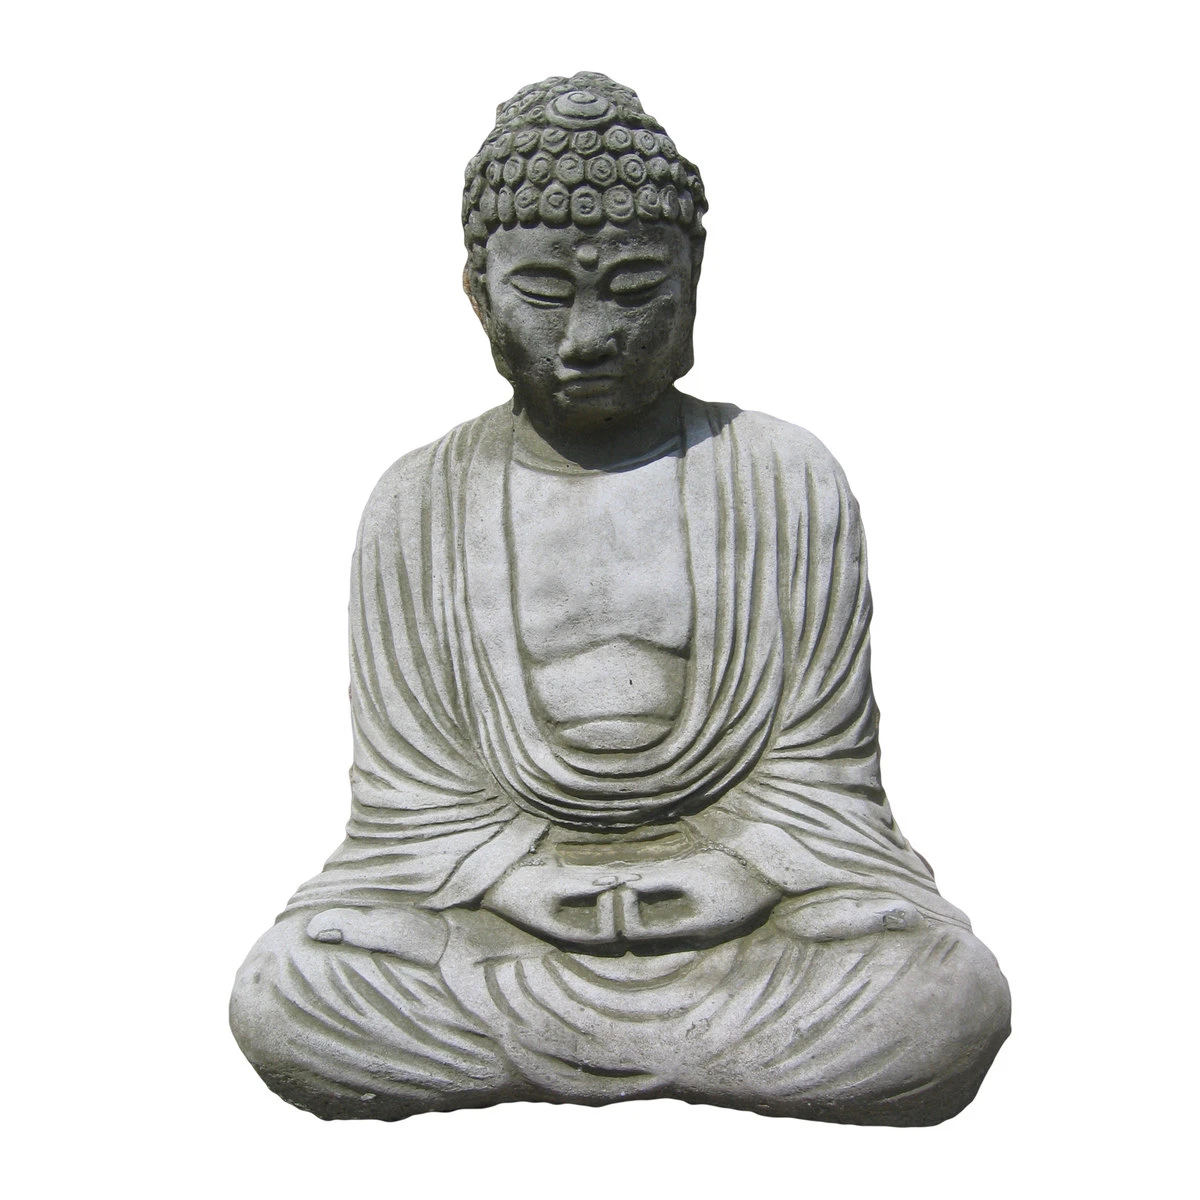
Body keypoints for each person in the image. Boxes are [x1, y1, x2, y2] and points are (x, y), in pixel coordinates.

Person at [230, 72, 1010, 1125]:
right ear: (478, 293)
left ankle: (580, 1051)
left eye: (635, 287)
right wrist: (515, 882)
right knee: (292, 993)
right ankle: (696, 1053)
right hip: (505, 917)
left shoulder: (782, 476)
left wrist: (736, 877)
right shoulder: (418, 502)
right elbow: (412, 807)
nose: (590, 336)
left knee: (943, 997)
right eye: (545, 292)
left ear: (694, 281)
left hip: (741, 908)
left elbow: (822, 783)